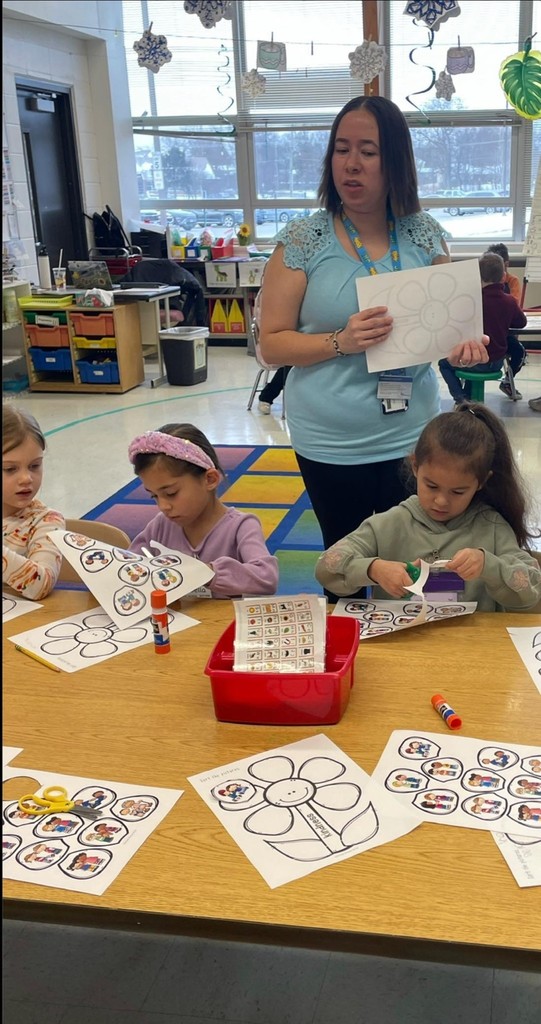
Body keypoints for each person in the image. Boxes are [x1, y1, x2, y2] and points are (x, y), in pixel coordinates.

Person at [258, 95, 489, 581]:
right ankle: (349, 650)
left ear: (396, 161)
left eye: (369, 150)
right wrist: (340, 340)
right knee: (346, 565)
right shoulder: (304, 240)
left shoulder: (424, 234)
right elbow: (271, 345)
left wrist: (463, 344)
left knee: (415, 563)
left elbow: (452, 327)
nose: (352, 164)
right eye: (342, 149)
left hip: (411, 434)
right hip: (331, 439)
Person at [315, 403, 541, 612]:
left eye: (458, 492)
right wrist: (373, 569)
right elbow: (326, 567)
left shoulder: (492, 528)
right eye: (431, 486)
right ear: (415, 467)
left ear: (481, 483)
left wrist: (489, 566)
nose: (441, 501)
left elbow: (532, 589)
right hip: (403, 646)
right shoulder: (389, 524)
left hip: (473, 649)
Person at [128, 423, 279, 598]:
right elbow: (130, 566)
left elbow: (267, 578)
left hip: (226, 623)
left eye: (171, 493)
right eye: (153, 496)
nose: (163, 506)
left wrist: (207, 573)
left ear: (210, 479)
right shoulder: (160, 525)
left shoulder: (241, 526)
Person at [439, 253, 527, 404]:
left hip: (472, 360)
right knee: (517, 350)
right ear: (504, 276)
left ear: (477, 276)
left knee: (444, 364)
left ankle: (461, 398)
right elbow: (521, 323)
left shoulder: (470, 300)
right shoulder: (509, 301)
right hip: (497, 361)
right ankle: (504, 383)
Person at [3, 406, 65, 599]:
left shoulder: (46, 521)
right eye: (10, 469)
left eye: (34, 466)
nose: (26, 478)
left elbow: (43, 584)